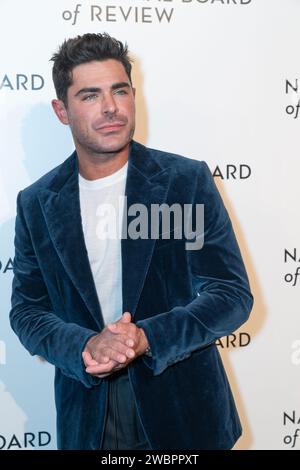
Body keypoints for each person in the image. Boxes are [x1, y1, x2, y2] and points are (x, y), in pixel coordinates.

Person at [10, 33, 253, 450]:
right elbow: (28, 311)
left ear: (133, 95)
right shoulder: (37, 203)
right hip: (89, 416)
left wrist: (148, 337)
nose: (110, 108)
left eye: (119, 90)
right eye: (89, 95)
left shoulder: (184, 181)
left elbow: (230, 294)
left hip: (184, 409)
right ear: (61, 111)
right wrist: (85, 344)